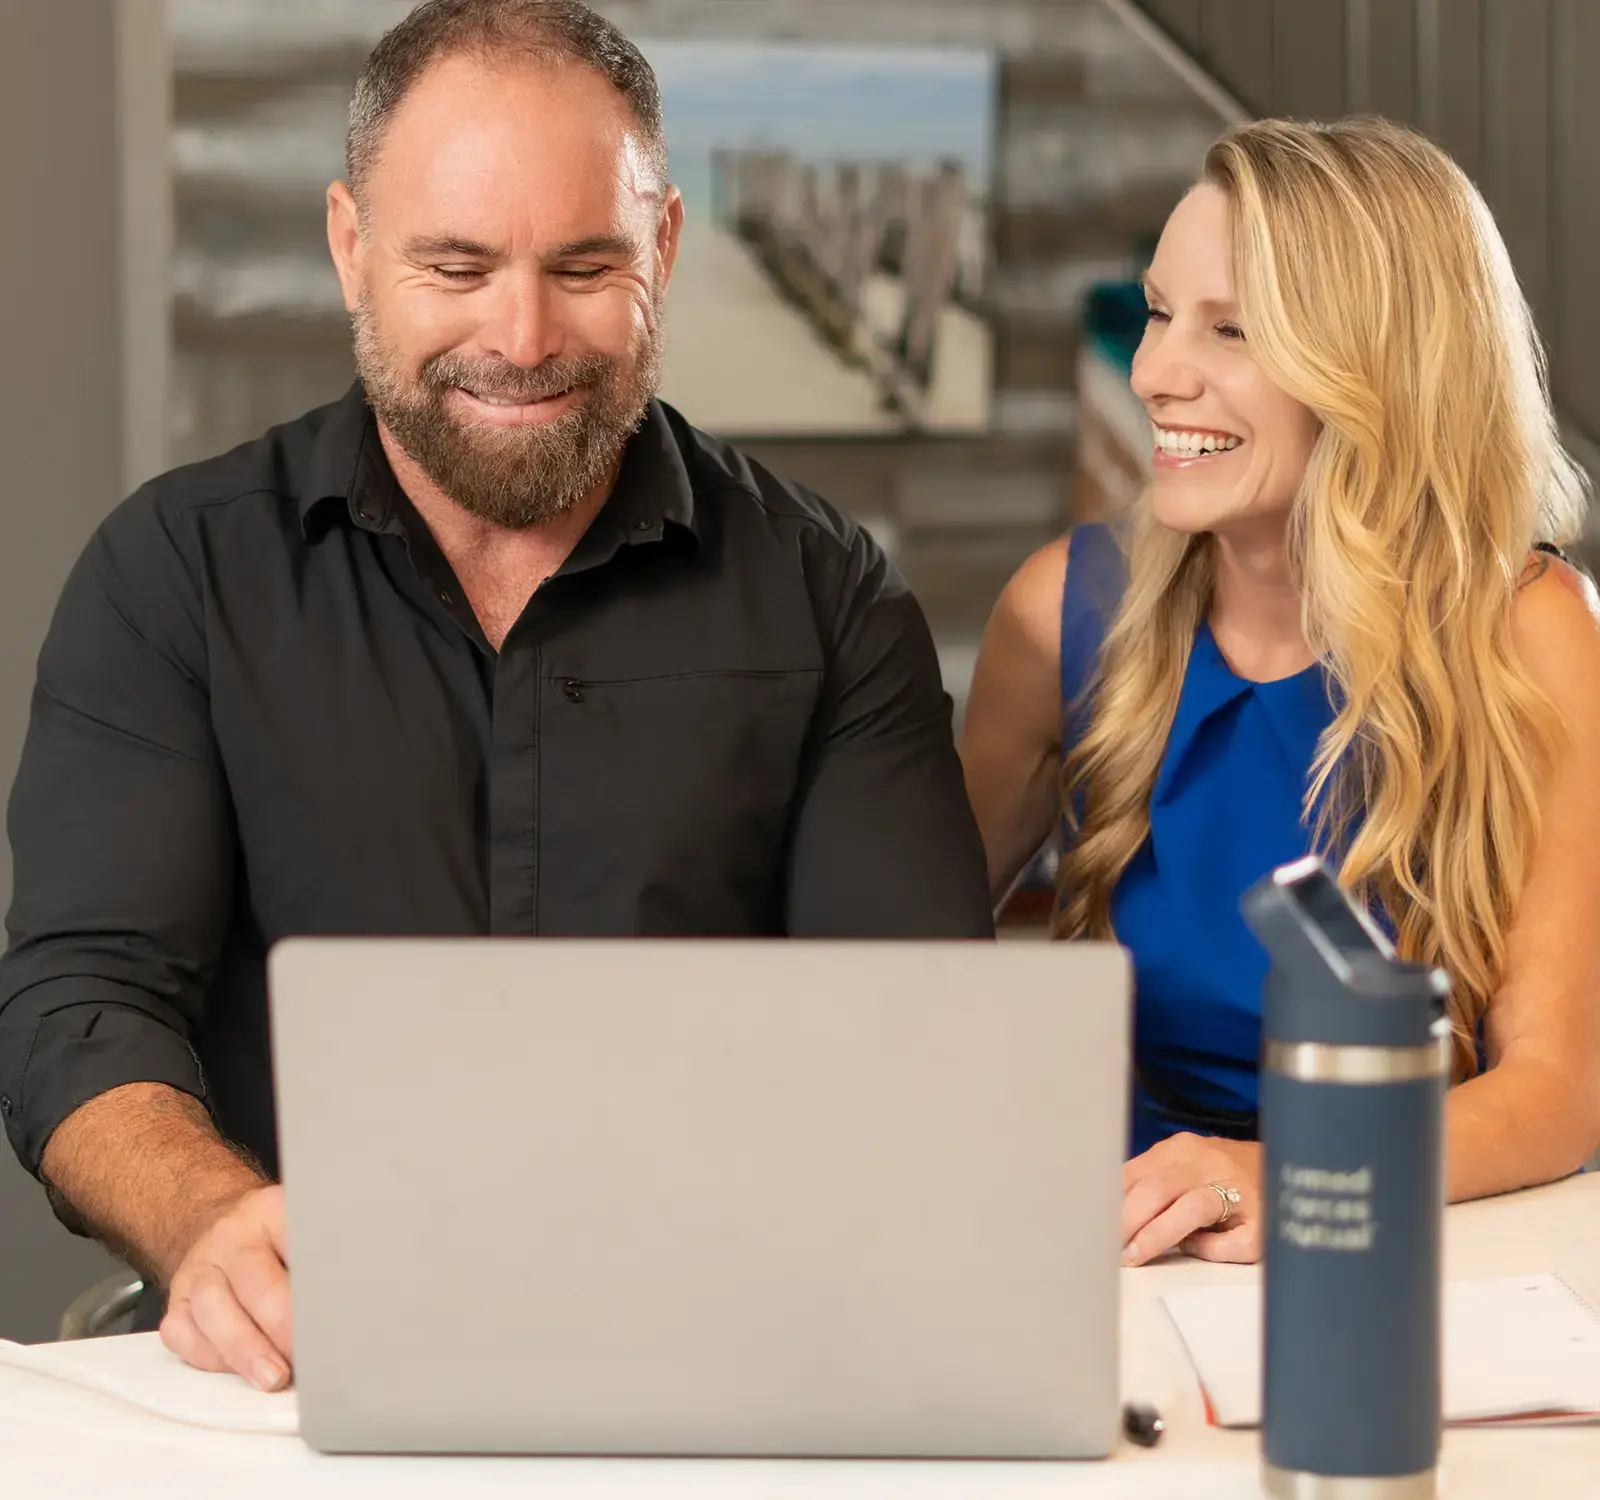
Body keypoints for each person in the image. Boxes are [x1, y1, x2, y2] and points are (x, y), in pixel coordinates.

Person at [0, 0, 991, 1391]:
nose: (521, 338)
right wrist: (210, 1217)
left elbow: (916, 1045)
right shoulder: (175, 575)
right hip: (297, 1359)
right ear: (351, 246)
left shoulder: (828, 598)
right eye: (455, 266)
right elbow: (80, 1003)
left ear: (663, 247)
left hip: (723, 1346)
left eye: (583, 265)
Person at [962, 116, 1600, 1269]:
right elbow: (893, 970)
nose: (1153, 374)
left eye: (1231, 330)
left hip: (1420, 1238)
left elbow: (1556, 1092)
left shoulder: (1532, 630)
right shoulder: (1060, 611)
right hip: (1123, 1242)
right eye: (1158, 312)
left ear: (1377, 368)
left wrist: (1283, 1173)